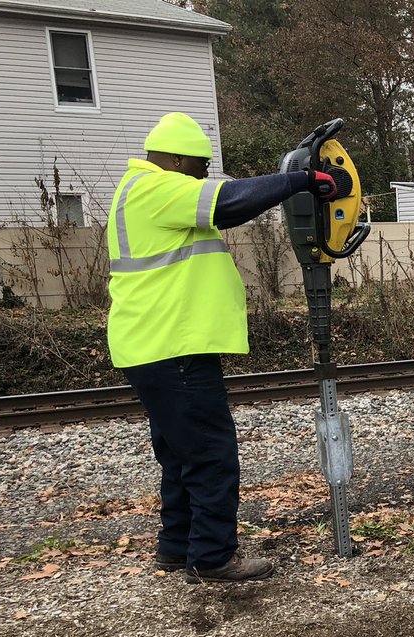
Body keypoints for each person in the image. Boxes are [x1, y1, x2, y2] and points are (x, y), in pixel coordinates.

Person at [106, 112, 338, 583]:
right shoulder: (156, 188)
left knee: (181, 455)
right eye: (200, 165)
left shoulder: (142, 191)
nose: (204, 175)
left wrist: (286, 182)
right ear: (176, 159)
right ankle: (212, 557)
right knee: (211, 455)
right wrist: (302, 180)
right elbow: (230, 201)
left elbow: (228, 200)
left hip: (154, 344)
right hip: (173, 345)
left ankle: (176, 547)